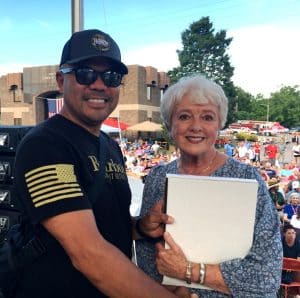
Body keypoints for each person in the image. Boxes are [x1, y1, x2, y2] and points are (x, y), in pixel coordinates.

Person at [4, 29, 192, 298]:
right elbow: (88, 253)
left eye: (112, 77)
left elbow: (100, 224)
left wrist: (139, 227)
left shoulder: (110, 146)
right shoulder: (45, 145)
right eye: (85, 73)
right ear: (60, 80)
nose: (99, 85)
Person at [135, 74, 282, 297]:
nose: (196, 126)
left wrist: (188, 272)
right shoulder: (157, 177)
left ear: (219, 124)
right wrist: (176, 289)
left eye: (207, 117)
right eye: (184, 116)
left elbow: (266, 277)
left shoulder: (247, 179)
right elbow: (147, 257)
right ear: (170, 124)